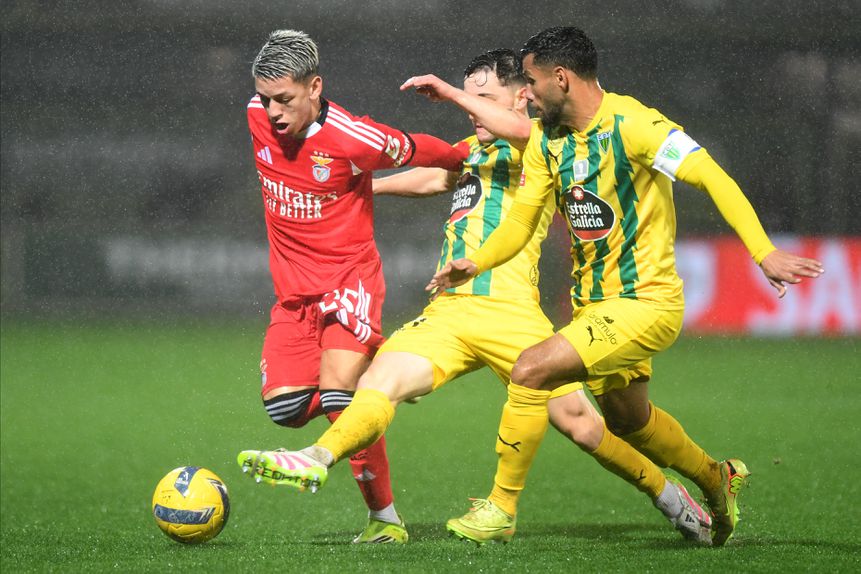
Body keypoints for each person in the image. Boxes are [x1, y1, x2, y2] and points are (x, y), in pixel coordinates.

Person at [238, 48, 713, 546]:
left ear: (523, 97)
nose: (469, 108)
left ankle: (669, 496)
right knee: (378, 383)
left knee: (581, 426)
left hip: (513, 316)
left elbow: (527, 133)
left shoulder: (548, 142)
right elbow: (436, 175)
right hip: (450, 313)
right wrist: (358, 188)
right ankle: (328, 469)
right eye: (467, 99)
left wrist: (447, 91)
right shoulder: (477, 147)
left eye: (481, 98)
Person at [426, 27, 825, 547]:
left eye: (531, 81)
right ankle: (716, 478)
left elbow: (712, 177)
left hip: (647, 302)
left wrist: (763, 251)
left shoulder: (636, 125)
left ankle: (500, 507)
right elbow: (522, 224)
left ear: (561, 78)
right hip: (594, 306)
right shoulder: (549, 142)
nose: (526, 94)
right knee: (627, 422)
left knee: (531, 369)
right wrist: (473, 263)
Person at [240, 29, 468, 545]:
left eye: (286, 99)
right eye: (266, 98)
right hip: (294, 296)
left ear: (315, 86)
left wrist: (464, 160)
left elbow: (419, 149)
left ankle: (385, 521)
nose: (273, 111)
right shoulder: (255, 114)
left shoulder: (354, 139)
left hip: (348, 281)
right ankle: (382, 378)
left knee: (341, 393)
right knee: (285, 409)